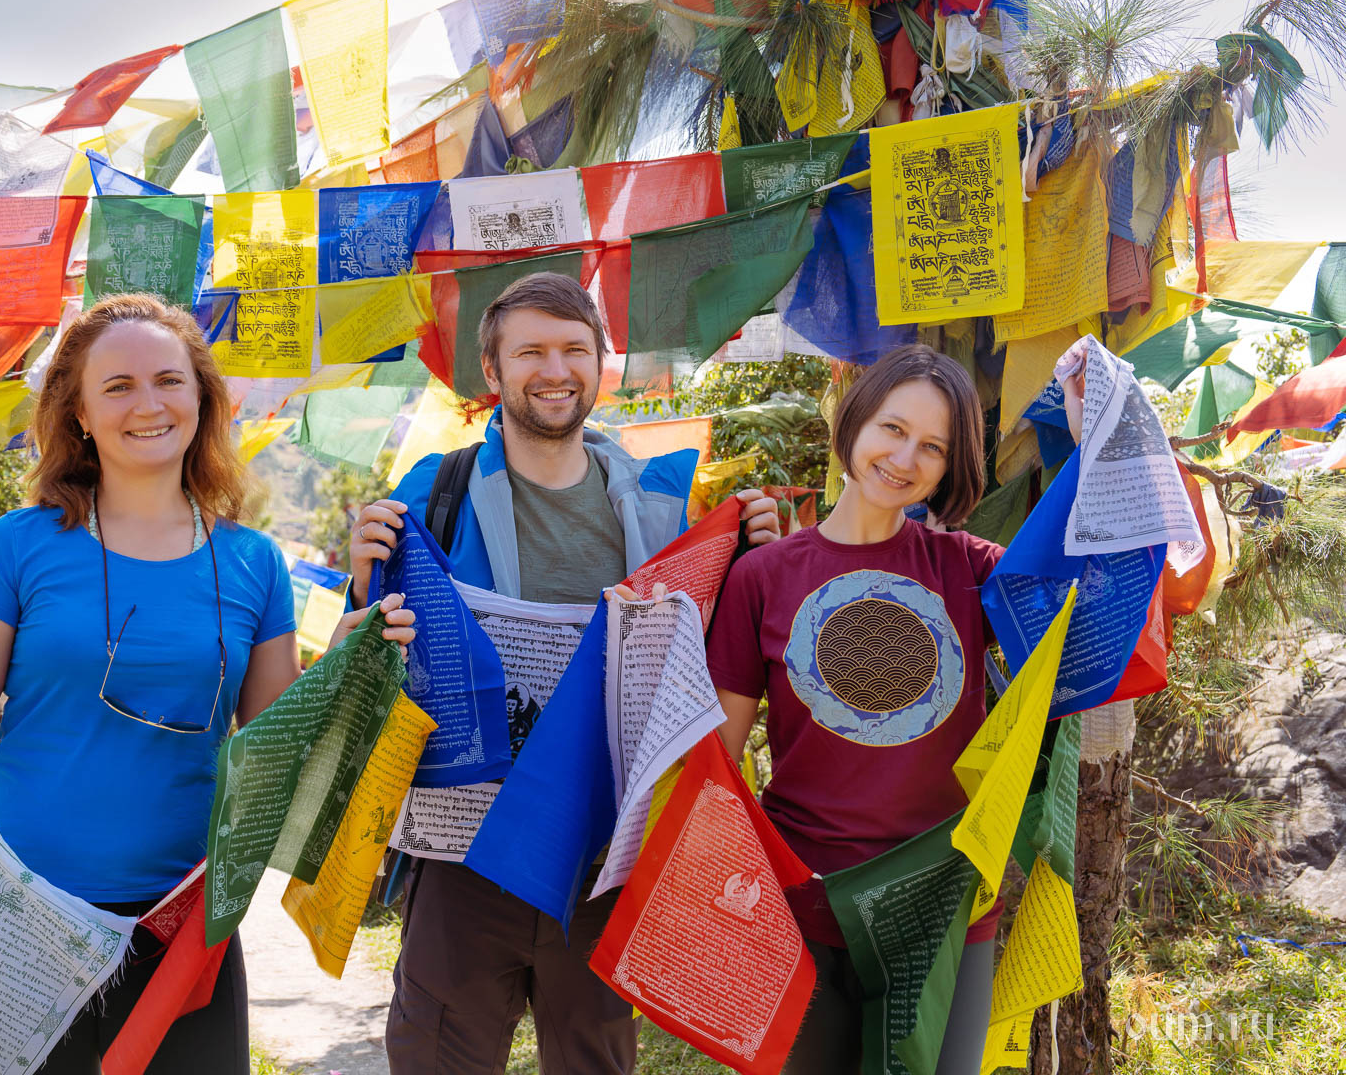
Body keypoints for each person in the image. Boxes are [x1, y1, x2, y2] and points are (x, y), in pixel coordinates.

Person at [0, 293, 414, 1075]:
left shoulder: (253, 563)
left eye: (169, 380)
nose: (148, 404)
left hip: (182, 927)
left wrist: (344, 667)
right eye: (117, 386)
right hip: (16, 912)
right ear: (80, 413)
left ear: (203, 400)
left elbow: (273, 757)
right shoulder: (17, 545)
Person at [347, 271, 782, 1075]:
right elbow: (377, 652)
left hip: (599, 857)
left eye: (575, 350)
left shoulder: (662, 505)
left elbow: (707, 661)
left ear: (599, 365)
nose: (556, 370)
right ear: (492, 370)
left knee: (595, 1062)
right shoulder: (433, 492)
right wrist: (362, 582)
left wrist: (757, 555)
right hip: (463, 855)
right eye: (531, 352)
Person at [704, 344, 1080, 1074]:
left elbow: (1085, 605)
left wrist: (1084, 434)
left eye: (932, 447)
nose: (905, 459)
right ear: (854, 421)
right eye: (893, 428)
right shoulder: (763, 577)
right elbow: (718, 759)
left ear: (949, 466)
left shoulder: (970, 570)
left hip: (942, 908)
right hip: (807, 903)